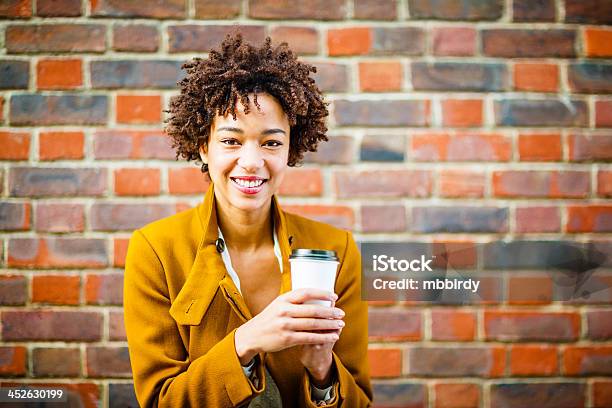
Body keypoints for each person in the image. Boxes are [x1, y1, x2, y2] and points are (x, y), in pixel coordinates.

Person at [123, 33, 372, 407]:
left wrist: (322, 372)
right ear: (203, 147)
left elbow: (361, 403)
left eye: (271, 142)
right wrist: (246, 341)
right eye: (231, 140)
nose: (252, 160)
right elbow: (161, 401)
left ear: (292, 149)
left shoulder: (335, 251)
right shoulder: (157, 251)